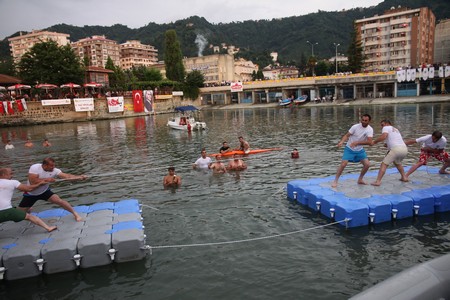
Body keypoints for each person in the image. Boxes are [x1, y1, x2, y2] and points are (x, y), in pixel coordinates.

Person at [18, 157, 87, 222]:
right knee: (19, 214)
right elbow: (32, 181)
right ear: (45, 165)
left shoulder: (55, 170)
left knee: (60, 201)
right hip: (31, 193)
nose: (53, 167)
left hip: (44, 191)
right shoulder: (35, 167)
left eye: (54, 165)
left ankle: (76, 214)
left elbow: (67, 176)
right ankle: (29, 208)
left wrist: (79, 177)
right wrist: (47, 180)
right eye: (51, 166)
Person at [0, 168, 57, 232]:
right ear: (4, 174)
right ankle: (48, 228)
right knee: (30, 217)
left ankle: (28, 210)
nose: (12, 176)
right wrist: (40, 183)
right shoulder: (13, 182)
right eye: (10, 174)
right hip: (7, 210)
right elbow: (28, 189)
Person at [331, 114, 373, 188]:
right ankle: (335, 181)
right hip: (349, 148)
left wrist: (357, 143)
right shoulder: (355, 127)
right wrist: (341, 142)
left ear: (369, 121)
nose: (363, 122)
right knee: (343, 164)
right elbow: (347, 135)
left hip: (360, 149)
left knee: (367, 164)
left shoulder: (370, 129)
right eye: (362, 120)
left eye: (365, 121)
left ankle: (360, 179)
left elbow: (370, 142)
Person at [371, 119, 408, 186]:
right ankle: (404, 177)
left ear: (387, 123)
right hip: (404, 149)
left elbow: (383, 136)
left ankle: (378, 181)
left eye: (382, 125)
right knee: (398, 163)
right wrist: (386, 144)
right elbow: (394, 141)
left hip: (396, 149)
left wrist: (374, 142)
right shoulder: (396, 129)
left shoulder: (386, 127)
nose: (382, 127)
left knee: (384, 164)